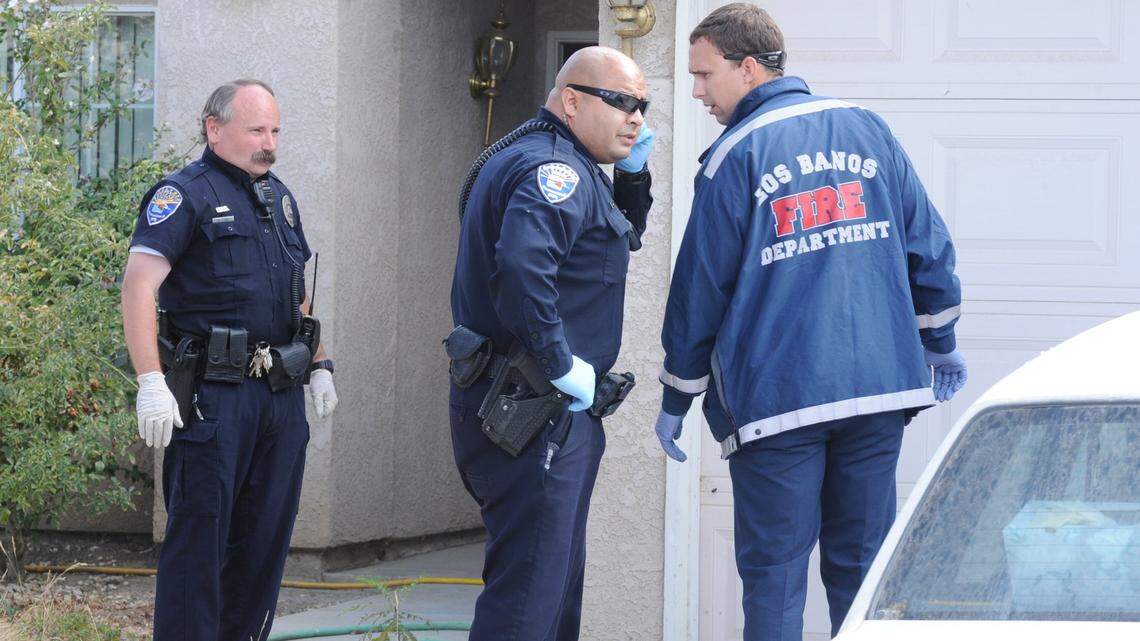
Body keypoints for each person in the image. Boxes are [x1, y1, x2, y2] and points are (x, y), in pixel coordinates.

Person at [654, 5, 967, 640]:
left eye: (704, 75)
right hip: (877, 390)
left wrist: (675, 394)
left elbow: (699, 291)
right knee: (860, 565)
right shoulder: (866, 128)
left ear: (747, 68)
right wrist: (939, 342)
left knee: (774, 575)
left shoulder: (733, 157)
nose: (696, 92)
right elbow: (927, 246)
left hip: (779, 402)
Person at [119, 79, 339, 641]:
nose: (270, 143)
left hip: (279, 397)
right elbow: (139, 287)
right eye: (256, 130)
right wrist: (150, 380)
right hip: (215, 400)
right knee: (200, 549)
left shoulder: (279, 196)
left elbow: (296, 292)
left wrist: (319, 363)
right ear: (214, 128)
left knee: (263, 544)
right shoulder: (181, 195)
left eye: (275, 130)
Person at [448, 46, 655, 641]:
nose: (636, 117)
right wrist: (560, 364)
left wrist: (633, 173)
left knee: (552, 590)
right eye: (620, 102)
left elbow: (616, 235)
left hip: (539, 405)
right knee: (527, 601)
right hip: (533, 405)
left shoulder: (566, 163)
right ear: (571, 100)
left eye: (642, 105)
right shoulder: (552, 170)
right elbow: (523, 269)